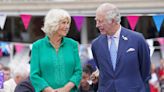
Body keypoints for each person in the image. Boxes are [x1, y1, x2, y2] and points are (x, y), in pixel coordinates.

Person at [91, 3, 151, 92]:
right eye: (96, 21)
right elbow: (102, 70)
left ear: (113, 20)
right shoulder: (96, 44)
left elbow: (145, 72)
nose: (97, 25)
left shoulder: (137, 39)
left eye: (100, 21)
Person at [30, 9, 82, 92]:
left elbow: (78, 72)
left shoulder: (73, 45)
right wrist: (50, 90)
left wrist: (65, 89)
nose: (67, 26)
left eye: (68, 23)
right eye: (63, 23)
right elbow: (34, 75)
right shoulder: (37, 46)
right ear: (53, 24)